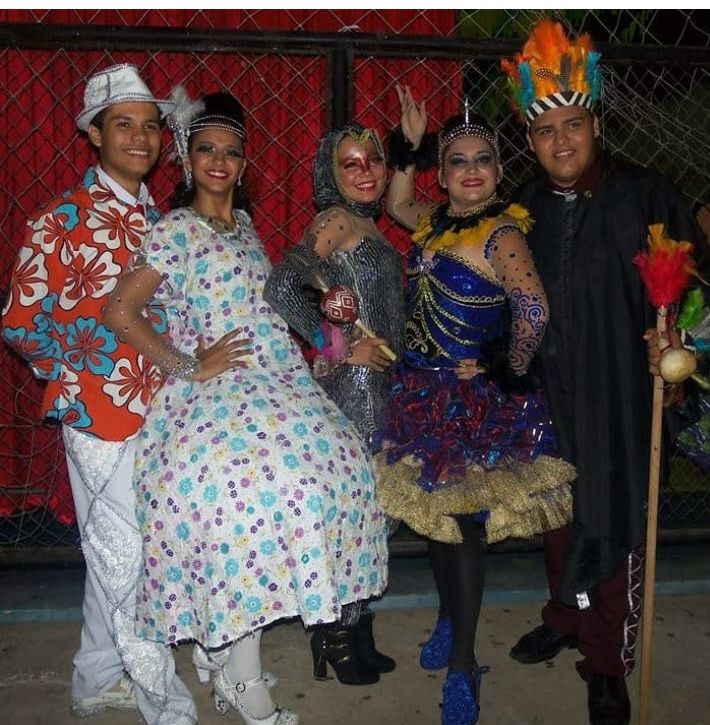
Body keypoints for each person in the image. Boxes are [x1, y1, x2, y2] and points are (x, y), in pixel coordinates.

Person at [103, 89, 388, 725]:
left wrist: (333, 347)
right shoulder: (175, 229)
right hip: (217, 395)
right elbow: (120, 311)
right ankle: (241, 675)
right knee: (249, 506)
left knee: (333, 473)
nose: (219, 161)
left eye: (231, 152)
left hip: (277, 384)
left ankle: (227, 654)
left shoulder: (248, 229)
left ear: (243, 163)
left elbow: (271, 313)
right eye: (206, 149)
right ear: (185, 159)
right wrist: (188, 364)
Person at [501, 19, 706, 725]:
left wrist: (678, 341)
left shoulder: (644, 194)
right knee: (558, 513)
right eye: (545, 131)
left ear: (596, 124)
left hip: (624, 392)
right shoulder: (525, 208)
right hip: (549, 394)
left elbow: (697, 285)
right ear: (530, 139)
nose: (561, 142)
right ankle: (565, 616)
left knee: (615, 518)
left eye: (574, 125)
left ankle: (607, 662)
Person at [372, 84, 575, 725]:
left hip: (473, 405)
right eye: (456, 161)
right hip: (422, 393)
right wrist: (409, 147)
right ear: (443, 174)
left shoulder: (502, 232)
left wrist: (502, 365)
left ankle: (463, 663)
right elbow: (396, 202)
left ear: (499, 168)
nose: (469, 171)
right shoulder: (435, 222)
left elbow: (534, 309)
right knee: (436, 519)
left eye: (482, 160)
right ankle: (446, 617)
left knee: (462, 528)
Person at [1, 64, 197, 723]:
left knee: (119, 551)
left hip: (164, 412)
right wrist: (80, 373)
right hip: (101, 417)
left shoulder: (159, 219)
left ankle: (93, 679)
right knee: (129, 562)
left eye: (150, 126)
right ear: (93, 133)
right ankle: (165, 704)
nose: (140, 138)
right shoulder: (61, 219)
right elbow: (19, 321)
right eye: (123, 125)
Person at [263, 122, 405, 685]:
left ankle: (356, 630)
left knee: (376, 513)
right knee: (361, 512)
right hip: (358, 390)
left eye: (373, 159)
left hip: (383, 386)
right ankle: (337, 635)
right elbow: (281, 287)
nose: (366, 171)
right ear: (331, 172)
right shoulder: (337, 220)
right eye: (351, 163)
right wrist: (337, 347)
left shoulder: (368, 223)